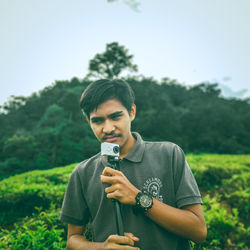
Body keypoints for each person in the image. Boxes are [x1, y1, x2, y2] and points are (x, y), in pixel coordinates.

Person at [60, 79, 207, 250]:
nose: (107, 128)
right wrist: (102, 247)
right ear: (88, 121)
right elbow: (72, 239)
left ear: (131, 112)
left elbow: (198, 232)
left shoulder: (169, 154)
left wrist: (138, 198)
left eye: (115, 116)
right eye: (98, 121)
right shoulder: (82, 173)